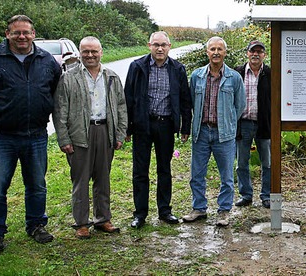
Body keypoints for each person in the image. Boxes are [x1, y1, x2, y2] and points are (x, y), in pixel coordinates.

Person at [0, 15, 62, 253]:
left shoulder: (46, 60)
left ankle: (36, 225)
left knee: (37, 185)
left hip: (36, 135)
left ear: (34, 34)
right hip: (0, 135)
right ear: (7, 34)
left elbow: (54, 90)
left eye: (26, 33)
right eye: (17, 33)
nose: (22, 37)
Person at [53, 36, 127, 239]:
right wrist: (64, 138)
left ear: (101, 52)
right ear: (79, 53)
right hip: (79, 135)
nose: (90, 55)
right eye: (86, 51)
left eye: (94, 51)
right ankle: (81, 223)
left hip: (105, 131)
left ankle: (103, 219)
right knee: (81, 180)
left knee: (103, 178)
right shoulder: (69, 78)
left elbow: (121, 106)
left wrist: (120, 132)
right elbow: (60, 111)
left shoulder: (111, 77)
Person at [124, 31, 192, 229]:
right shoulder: (137, 67)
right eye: (156, 45)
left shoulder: (178, 69)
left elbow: (185, 101)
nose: (160, 48)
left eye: (163, 45)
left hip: (166, 125)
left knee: (164, 169)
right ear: (149, 46)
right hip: (142, 125)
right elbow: (128, 98)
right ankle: (140, 214)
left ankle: (165, 211)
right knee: (140, 171)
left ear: (169, 46)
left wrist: (184, 126)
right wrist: (127, 127)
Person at [183, 36, 245, 227]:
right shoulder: (197, 76)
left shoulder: (234, 77)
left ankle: (224, 211)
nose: (216, 52)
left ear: (225, 52)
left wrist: (228, 123)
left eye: (220, 49)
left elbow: (240, 105)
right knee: (197, 174)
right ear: (207, 52)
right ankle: (199, 208)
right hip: (201, 132)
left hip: (224, 134)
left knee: (226, 176)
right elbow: (192, 102)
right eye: (212, 49)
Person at [234, 40, 271, 209]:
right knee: (242, 162)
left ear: (264, 55)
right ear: (247, 53)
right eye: (252, 51)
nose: (256, 54)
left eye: (259, 51)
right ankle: (246, 195)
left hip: (264, 124)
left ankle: (267, 195)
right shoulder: (238, 73)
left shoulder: (270, 73)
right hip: (243, 123)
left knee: (267, 162)